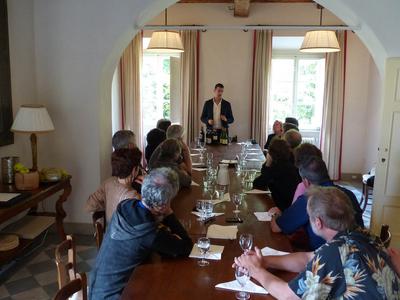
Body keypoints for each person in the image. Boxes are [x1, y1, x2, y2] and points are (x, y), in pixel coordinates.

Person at [234, 186, 400, 299]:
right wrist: (265, 261)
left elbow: (289, 296)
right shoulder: (364, 236)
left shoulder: (334, 253)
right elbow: (308, 259)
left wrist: (255, 271)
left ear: (318, 222)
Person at [89, 168, 193, 299]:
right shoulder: (149, 233)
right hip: (116, 295)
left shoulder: (126, 205)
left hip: (97, 288)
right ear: (162, 205)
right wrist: (169, 213)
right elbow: (187, 246)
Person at [269, 156, 364, 250]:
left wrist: (276, 214)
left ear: (306, 181)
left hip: (324, 256)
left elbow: (276, 227)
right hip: (358, 251)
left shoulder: (310, 199)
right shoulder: (349, 194)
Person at [86, 148, 142, 222]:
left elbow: (89, 206)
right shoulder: (133, 196)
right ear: (134, 170)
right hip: (126, 233)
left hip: (110, 231)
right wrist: (148, 187)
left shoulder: (107, 183)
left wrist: (108, 204)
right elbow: (148, 220)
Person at [253, 139, 301, 211]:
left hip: (284, 208)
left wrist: (267, 163)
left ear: (271, 154)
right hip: (292, 204)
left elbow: (257, 184)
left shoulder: (277, 168)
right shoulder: (288, 162)